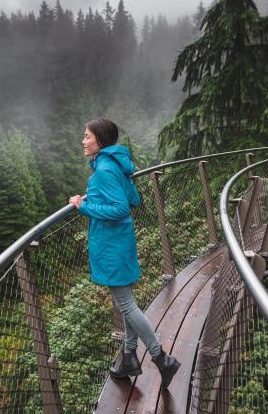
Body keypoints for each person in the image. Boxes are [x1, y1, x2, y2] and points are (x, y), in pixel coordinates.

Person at [69, 118, 180, 389]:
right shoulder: (115, 163)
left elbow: (120, 208)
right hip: (120, 240)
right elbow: (133, 198)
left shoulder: (104, 168)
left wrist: (82, 206)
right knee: (125, 302)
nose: (83, 141)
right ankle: (129, 356)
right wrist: (92, 197)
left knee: (126, 305)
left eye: (87, 136)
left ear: (100, 141)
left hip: (111, 246)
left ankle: (161, 358)